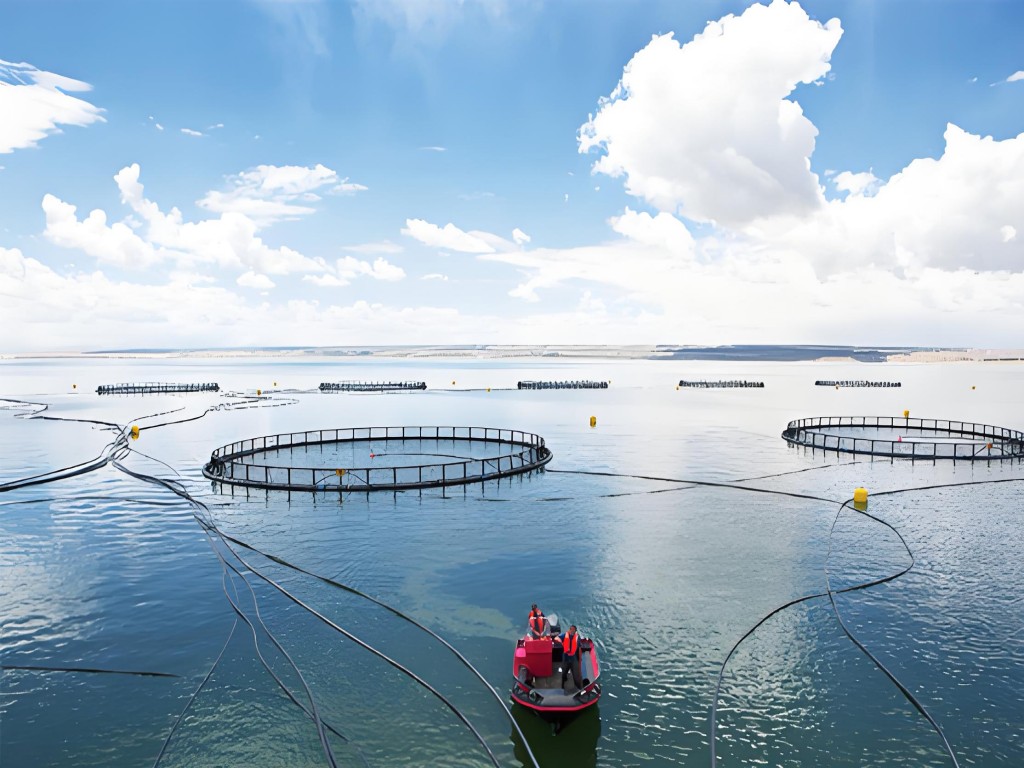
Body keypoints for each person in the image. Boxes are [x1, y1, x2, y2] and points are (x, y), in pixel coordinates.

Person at [554, 625, 582, 690]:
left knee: (575, 673)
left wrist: (580, 658)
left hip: (573, 657)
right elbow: (556, 638)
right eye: (571, 629)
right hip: (566, 656)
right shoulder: (564, 635)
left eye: (573, 630)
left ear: (575, 631)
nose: (572, 631)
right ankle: (562, 685)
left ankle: (577, 686)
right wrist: (561, 642)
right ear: (569, 630)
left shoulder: (577, 637)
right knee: (564, 671)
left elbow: (579, 647)